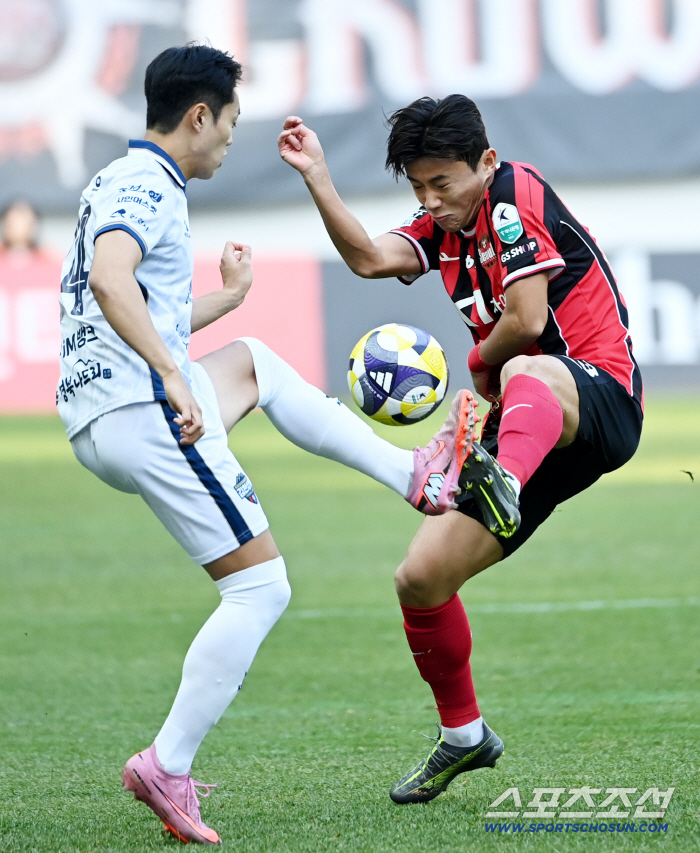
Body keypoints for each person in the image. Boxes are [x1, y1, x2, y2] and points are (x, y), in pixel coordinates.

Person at [57, 48, 478, 844]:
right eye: (229, 126)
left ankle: (412, 474)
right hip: (142, 408)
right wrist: (173, 382)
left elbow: (140, 304)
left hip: (101, 408)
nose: (228, 143)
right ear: (198, 117)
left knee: (255, 362)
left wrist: (230, 297)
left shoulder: (116, 178)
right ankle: (165, 763)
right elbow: (113, 282)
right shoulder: (150, 187)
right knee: (261, 588)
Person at [279, 94, 643, 804]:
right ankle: (465, 737)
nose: (430, 199)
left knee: (517, 365)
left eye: (441, 182)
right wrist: (317, 175)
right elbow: (367, 257)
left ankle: (499, 477)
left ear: (485, 162)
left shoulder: (513, 195)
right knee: (419, 577)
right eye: (417, 185)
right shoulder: (442, 226)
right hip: (525, 428)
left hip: (595, 397)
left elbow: (529, 318)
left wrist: (476, 375)